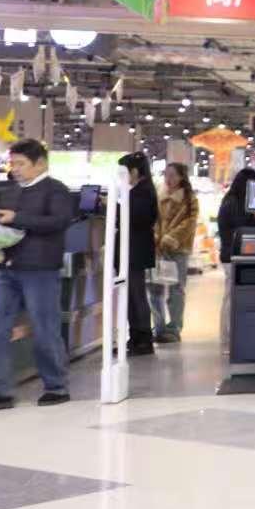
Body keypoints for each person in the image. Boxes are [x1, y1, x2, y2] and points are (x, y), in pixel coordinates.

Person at [0, 139, 77, 412]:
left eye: (20, 163)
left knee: (45, 329)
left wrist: (16, 217)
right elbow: (4, 223)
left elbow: (57, 222)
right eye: (12, 163)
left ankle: (56, 386)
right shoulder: (10, 191)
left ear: (40, 163)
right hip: (9, 269)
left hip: (40, 270)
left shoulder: (56, 190)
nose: (15, 169)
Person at [216, 166, 255, 351]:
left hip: (232, 256)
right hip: (232, 257)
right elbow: (243, 229)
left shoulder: (232, 200)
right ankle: (227, 340)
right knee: (231, 297)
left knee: (230, 296)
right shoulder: (235, 203)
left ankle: (228, 339)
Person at [151, 163, 198, 345]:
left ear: (181, 177)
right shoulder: (160, 196)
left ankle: (174, 328)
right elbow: (154, 220)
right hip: (158, 250)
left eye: (172, 175)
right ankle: (159, 327)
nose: (168, 179)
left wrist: (171, 237)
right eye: (166, 175)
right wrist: (156, 236)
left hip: (178, 250)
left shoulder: (189, 199)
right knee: (154, 289)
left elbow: (190, 223)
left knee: (176, 290)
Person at [118, 152, 157, 358]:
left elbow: (135, 218)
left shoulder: (142, 192)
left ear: (133, 171)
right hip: (133, 252)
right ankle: (136, 339)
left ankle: (142, 340)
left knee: (136, 296)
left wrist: (113, 207)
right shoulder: (139, 190)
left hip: (135, 252)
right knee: (132, 296)